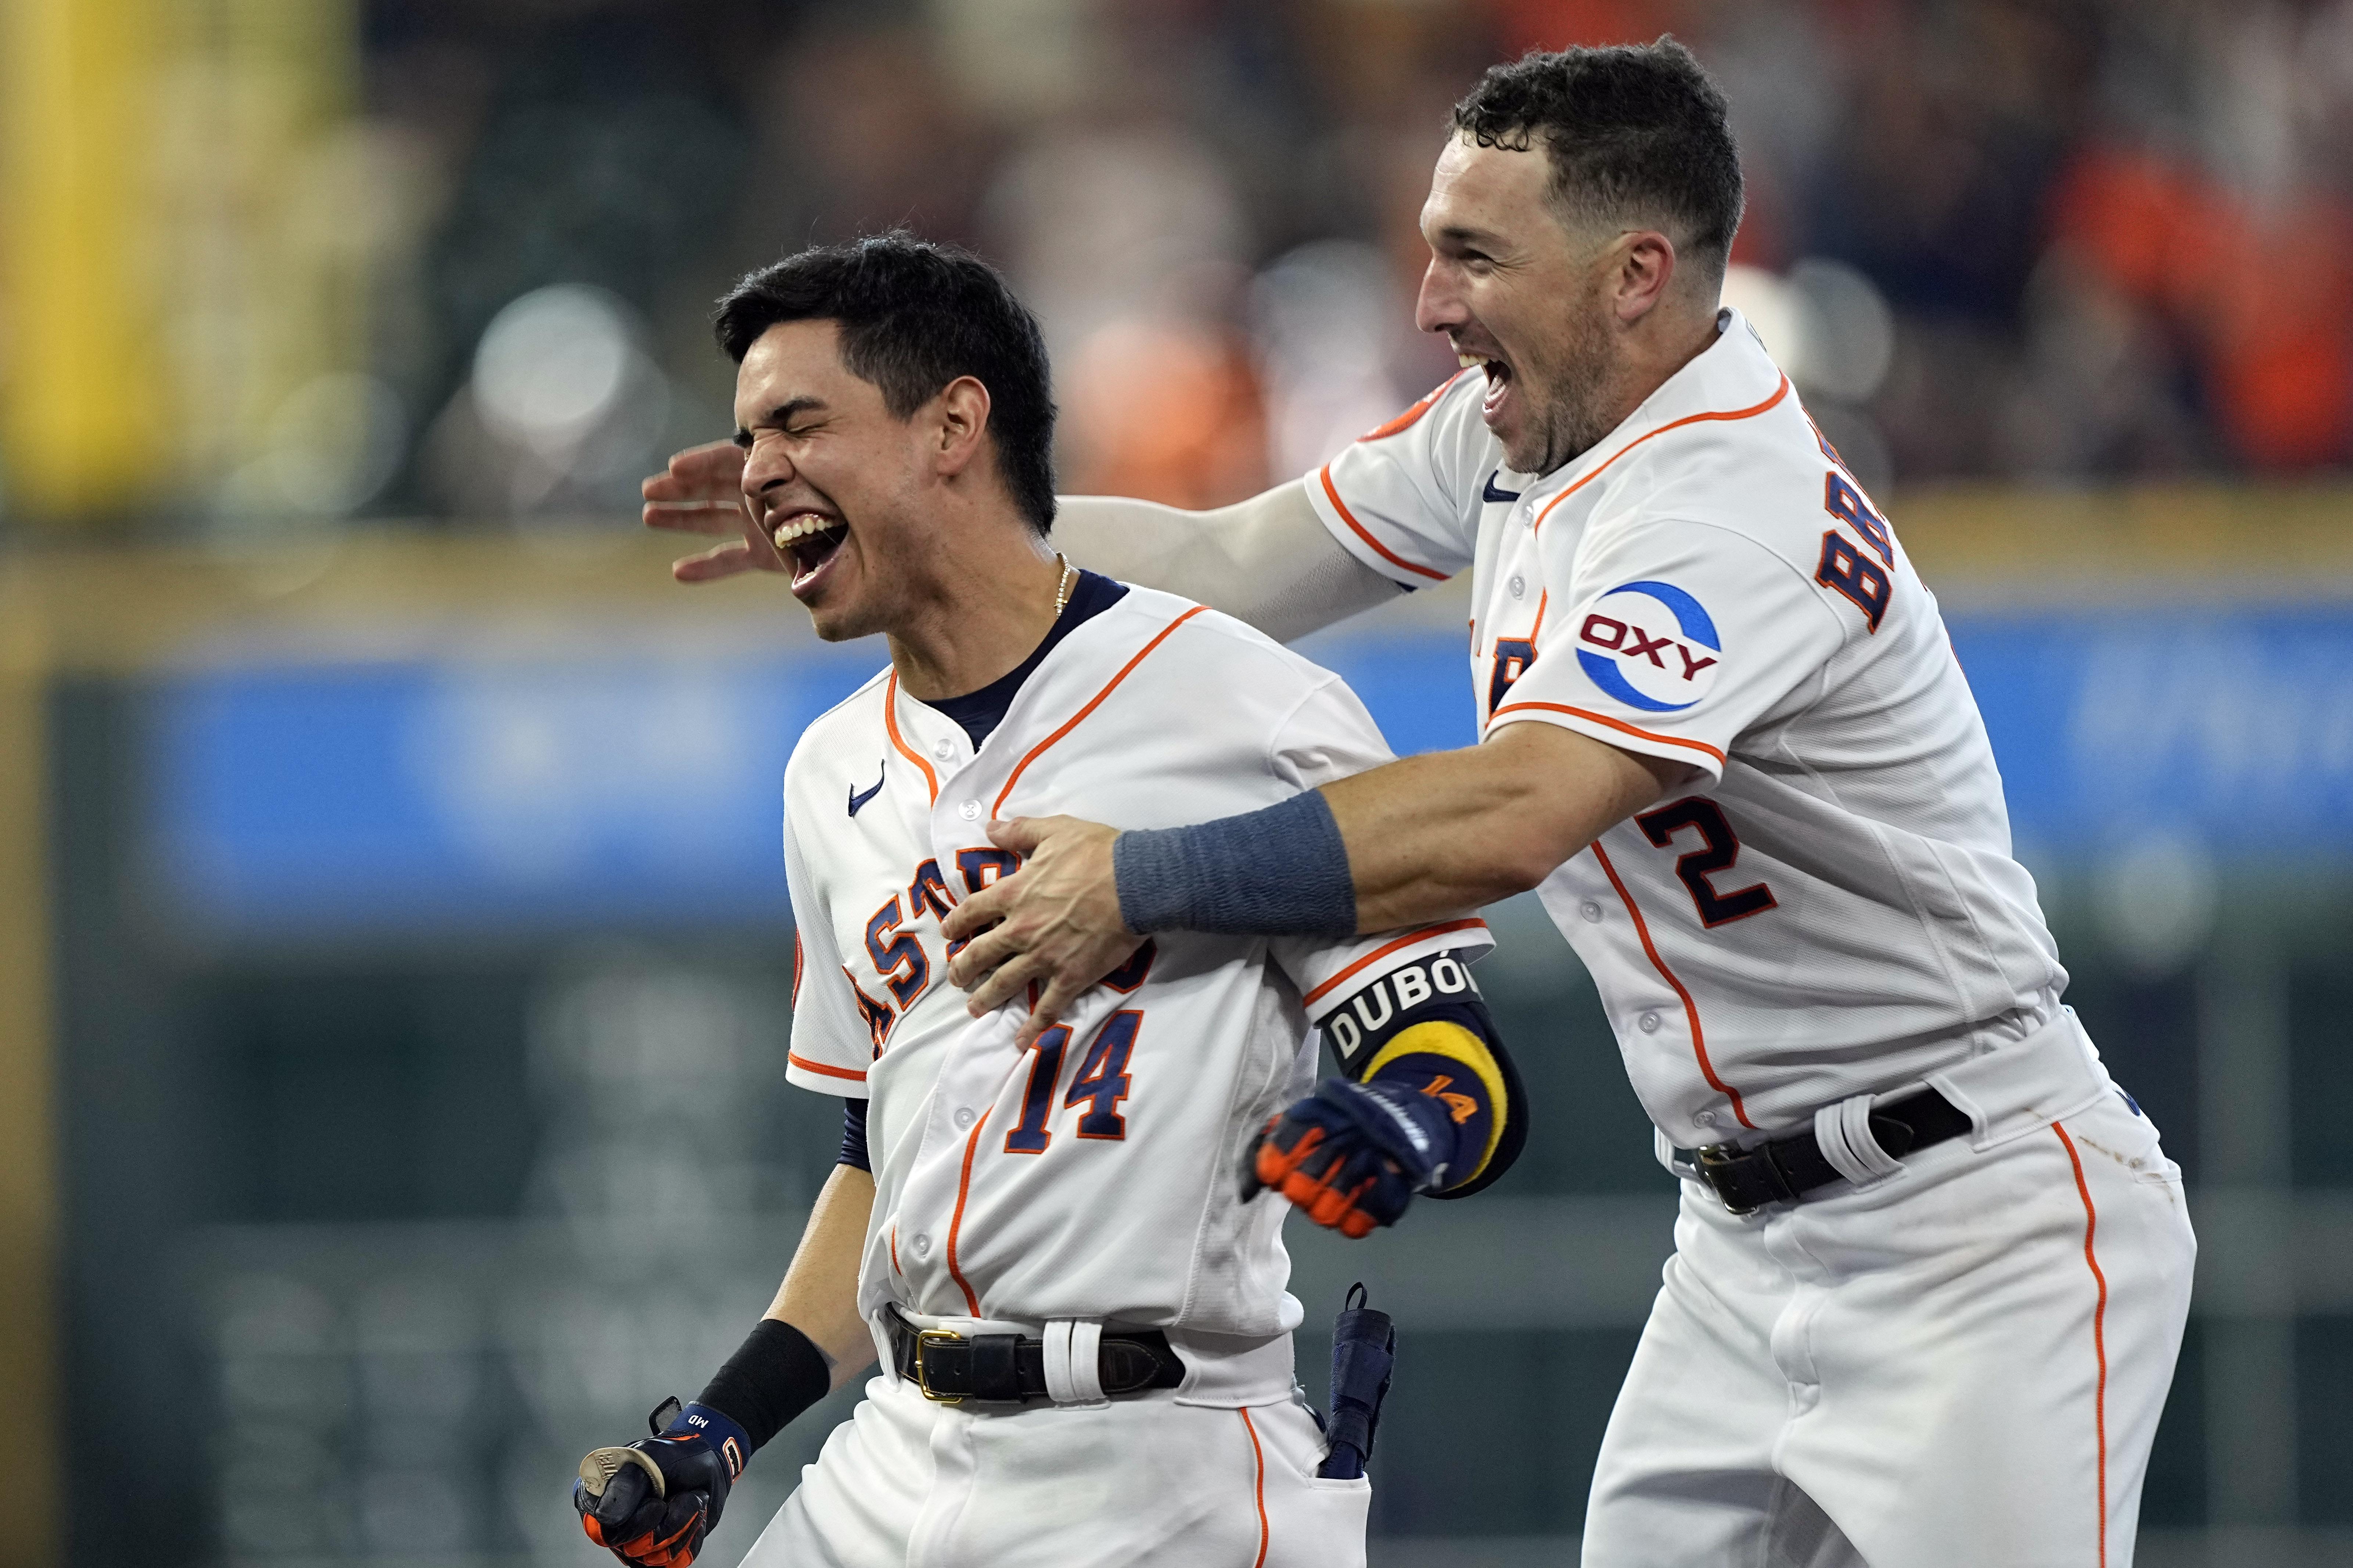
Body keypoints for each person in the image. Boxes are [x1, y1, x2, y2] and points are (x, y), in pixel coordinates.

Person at [640, 39, 2195, 1568]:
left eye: (1470, 255)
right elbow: (1244, 562)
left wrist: (1140, 877)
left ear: (1632, 274)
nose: (1429, 299)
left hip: (1972, 1212)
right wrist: (918, 509)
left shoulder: (1731, 506)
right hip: (1739, 1230)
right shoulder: (1519, 432)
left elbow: (1516, 812)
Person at [575, 234, 1526, 1568]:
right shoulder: (830, 769)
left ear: (954, 423)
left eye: (799, 422)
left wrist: (1405, 1119)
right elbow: (876, 1168)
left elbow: (1452, 1055)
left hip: (1162, 1459)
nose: (757, 471)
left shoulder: (1241, 702)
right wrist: (726, 1425)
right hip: (893, 1450)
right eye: (747, 438)